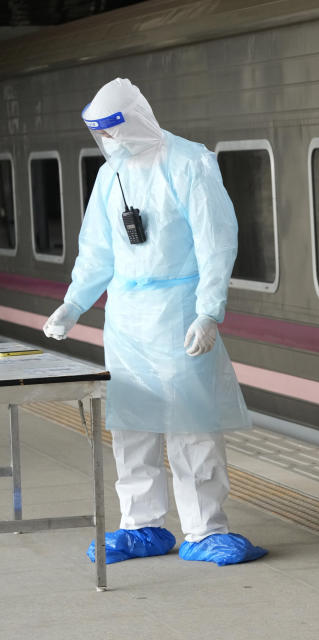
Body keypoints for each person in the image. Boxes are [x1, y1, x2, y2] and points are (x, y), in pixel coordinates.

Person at [43, 78, 266, 566]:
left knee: (192, 425)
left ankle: (205, 529)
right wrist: (73, 304)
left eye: (116, 130)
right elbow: (97, 251)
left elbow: (215, 243)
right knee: (130, 425)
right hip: (126, 318)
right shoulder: (110, 177)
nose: (112, 142)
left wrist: (209, 311)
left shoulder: (189, 164)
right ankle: (142, 525)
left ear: (138, 119)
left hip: (179, 311)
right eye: (102, 134)